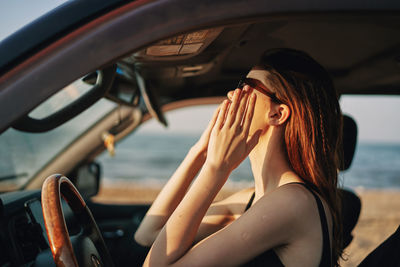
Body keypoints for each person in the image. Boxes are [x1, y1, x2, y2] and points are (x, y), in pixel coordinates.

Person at [134, 48, 343, 267]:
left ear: (277, 114)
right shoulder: (254, 199)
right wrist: (199, 152)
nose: (233, 94)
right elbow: (147, 235)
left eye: (247, 86)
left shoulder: (292, 202)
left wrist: (216, 168)